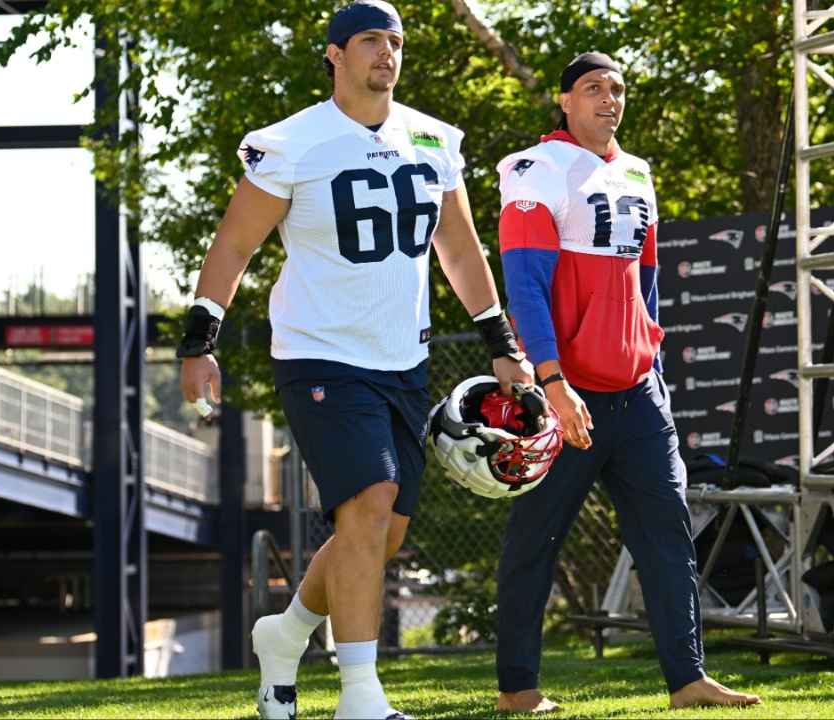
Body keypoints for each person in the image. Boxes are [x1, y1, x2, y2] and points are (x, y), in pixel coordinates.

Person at [176, 2, 531, 718]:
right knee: (366, 508)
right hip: (319, 354)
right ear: (335, 54)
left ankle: (285, 635)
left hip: (402, 357)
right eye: (371, 40)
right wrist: (198, 342)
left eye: (395, 42)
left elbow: (459, 252)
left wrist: (504, 346)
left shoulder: (432, 139)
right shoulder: (292, 142)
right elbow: (235, 246)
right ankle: (361, 697)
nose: (387, 53)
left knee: (383, 530)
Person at [492, 52, 762, 712]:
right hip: (566, 395)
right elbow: (524, 288)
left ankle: (688, 681)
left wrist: (656, 372)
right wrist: (552, 384)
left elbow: (648, 287)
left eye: (617, 89)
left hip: (638, 393)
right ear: (564, 101)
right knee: (535, 540)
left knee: (668, 535)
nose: (608, 100)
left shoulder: (638, 173)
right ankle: (518, 690)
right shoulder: (535, 170)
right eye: (593, 89)